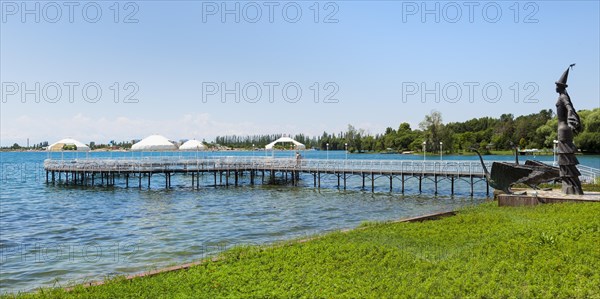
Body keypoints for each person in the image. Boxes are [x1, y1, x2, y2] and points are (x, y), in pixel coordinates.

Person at [555, 64, 584, 195]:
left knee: (566, 159)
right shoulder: (563, 96)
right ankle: (570, 186)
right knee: (565, 159)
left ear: (561, 86)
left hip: (564, 130)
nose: (555, 86)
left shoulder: (563, 96)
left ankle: (571, 186)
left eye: (557, 84)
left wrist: (573, 119)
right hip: (563, 129)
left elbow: (569, 108)